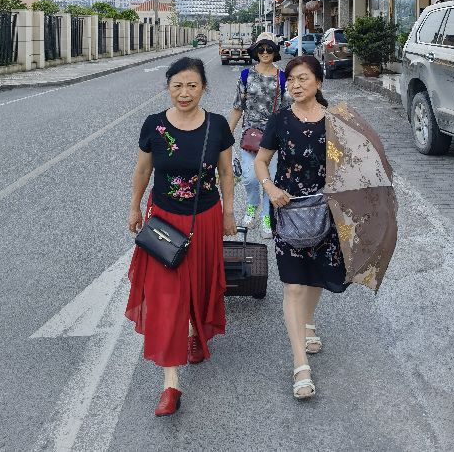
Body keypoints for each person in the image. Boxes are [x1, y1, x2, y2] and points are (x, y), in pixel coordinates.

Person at [126, 57, 237, 417]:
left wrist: (229, 212)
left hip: (203, 218)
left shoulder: (218, 126)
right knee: (166, 297)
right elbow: (143, 169)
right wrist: (134, 206)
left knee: (200, 287)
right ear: (168, 87)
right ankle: (170, 384)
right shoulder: (155, 126)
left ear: (204, 87)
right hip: (163, 222)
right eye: (177, 85)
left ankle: (196, 334)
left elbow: (225, 173)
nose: (184, 93)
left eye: (191, 85)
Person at [254, 54, 349, 400]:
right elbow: (262, 161)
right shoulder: (279, 119)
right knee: (293, 285)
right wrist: (271, 188)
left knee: (317, 275)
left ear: (318, 83)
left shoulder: (337, 121)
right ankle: (300, 365)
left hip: (326, 211)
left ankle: (308, 321)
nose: (295, 85)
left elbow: (350, 164)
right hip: (289, 209)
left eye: (303, 79)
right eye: (291, 79)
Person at [228, 32, 289, 238]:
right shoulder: (246, 75)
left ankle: (266, 216)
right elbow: (238, 107)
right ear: (256, 51)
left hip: (274, 138)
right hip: (250, 135)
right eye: (261, 49)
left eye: (269, 48)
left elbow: (287, 110)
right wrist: (226, 135)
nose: (265, 52)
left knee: (269, 180)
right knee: (250, 179)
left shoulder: (282, 77)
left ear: (275, 51)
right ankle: (252, 205)